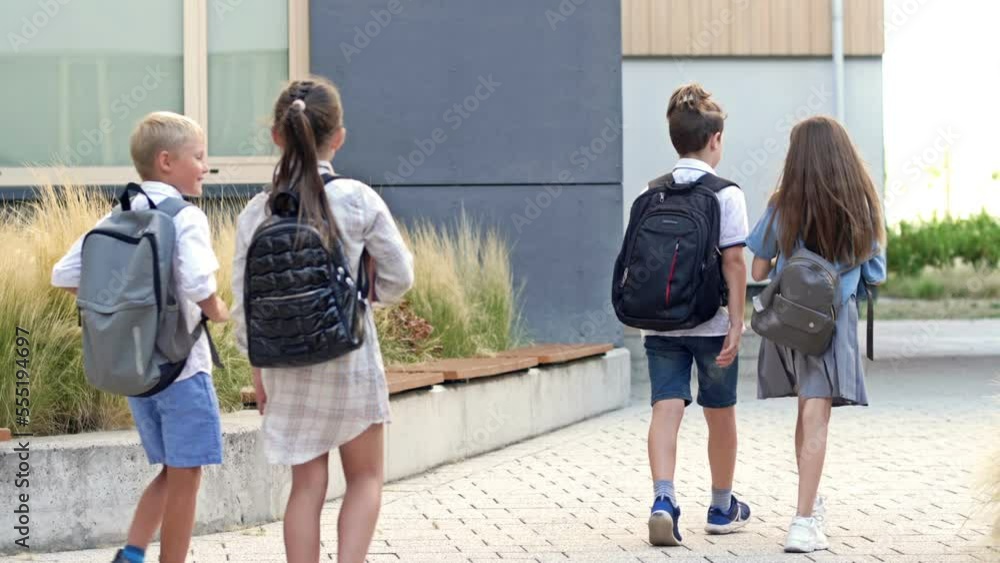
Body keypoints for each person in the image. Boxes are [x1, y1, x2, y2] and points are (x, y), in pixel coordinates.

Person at [230, 77, 414, 563]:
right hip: (350, 355)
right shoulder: (358, 198)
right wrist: (361, 298)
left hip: (284, 366)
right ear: (339, 137)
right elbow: (400, 278)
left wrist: (258, 369)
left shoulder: (255, 211)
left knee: (306, 486)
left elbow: (242, 304)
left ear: (277, 135)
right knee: (366, 479)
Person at [51, 111, 230, 563]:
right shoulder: (185, 217)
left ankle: (131, 554)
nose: (205, 167)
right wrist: (219, 311)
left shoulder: (118, 214)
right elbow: (197, 285)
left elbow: (65, 273)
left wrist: (128, 304)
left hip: (138, 371)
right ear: (167, 161)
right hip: (182, 369)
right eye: (200, 157)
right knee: (187, 476)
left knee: (173, 469)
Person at [747, 115, 886, 553]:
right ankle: (804, 520)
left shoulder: (783, 203)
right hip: (832, 321)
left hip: (789, 321)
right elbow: (876, 275)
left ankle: (809, 504)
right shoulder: (862, 204)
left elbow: (757, 267)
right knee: (816, 414)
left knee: (806, 411)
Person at [642, 84, 751, 546]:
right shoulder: (727, 194)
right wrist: (737, 322)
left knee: (666, 408)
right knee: (719, 413)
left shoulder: (653, 192)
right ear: (715, 139)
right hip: (710, 324)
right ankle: (722, 506)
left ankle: (663, 499)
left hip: (661, 321)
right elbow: (734, 263)